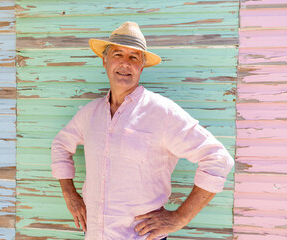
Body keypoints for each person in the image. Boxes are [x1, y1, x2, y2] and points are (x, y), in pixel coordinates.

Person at [51, 21, 234, 240]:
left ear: (142, 66)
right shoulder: (89, 114)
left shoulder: (161, 112)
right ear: (105, 60)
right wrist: (69, 193)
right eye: (118, 54)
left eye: (134, 57)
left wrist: (180, 218)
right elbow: (60, 145)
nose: (125, 64)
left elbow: (218, 158)